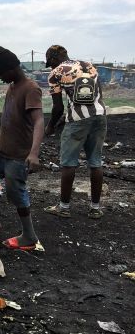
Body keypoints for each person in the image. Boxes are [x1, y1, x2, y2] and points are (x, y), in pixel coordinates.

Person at [0, 46, 44, 250]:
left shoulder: (31, 88)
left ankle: (29, 236)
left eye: (1, 74)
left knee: (16, 193)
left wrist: (34, 153)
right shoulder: (12, 86)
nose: (0, 78)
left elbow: (39, 121)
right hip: (0, 148)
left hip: (17, 155)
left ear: (12, 68)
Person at [43, 45, 106, 219]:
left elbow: (57, 107)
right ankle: (95, 208)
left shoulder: (56, 73)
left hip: (77, 122)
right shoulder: (88, 65)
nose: (50, 67)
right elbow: (94, 95)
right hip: (100, 116)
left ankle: (64, 207)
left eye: (50, 63)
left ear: (54, 59)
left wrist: (49, 127)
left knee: (68, 163)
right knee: (95, 162)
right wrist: (66, 116)